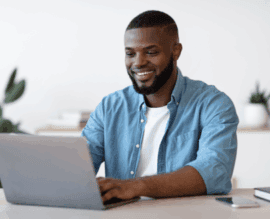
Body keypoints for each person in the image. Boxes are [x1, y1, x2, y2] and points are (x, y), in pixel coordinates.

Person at [81, 10, 239, 203]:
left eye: (151, 52)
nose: (138, 63)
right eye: (130, 53)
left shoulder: (213, 104)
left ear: (176, 51)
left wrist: (134, 186)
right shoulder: (110, 107)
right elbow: (80, 167)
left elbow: (214, 171)